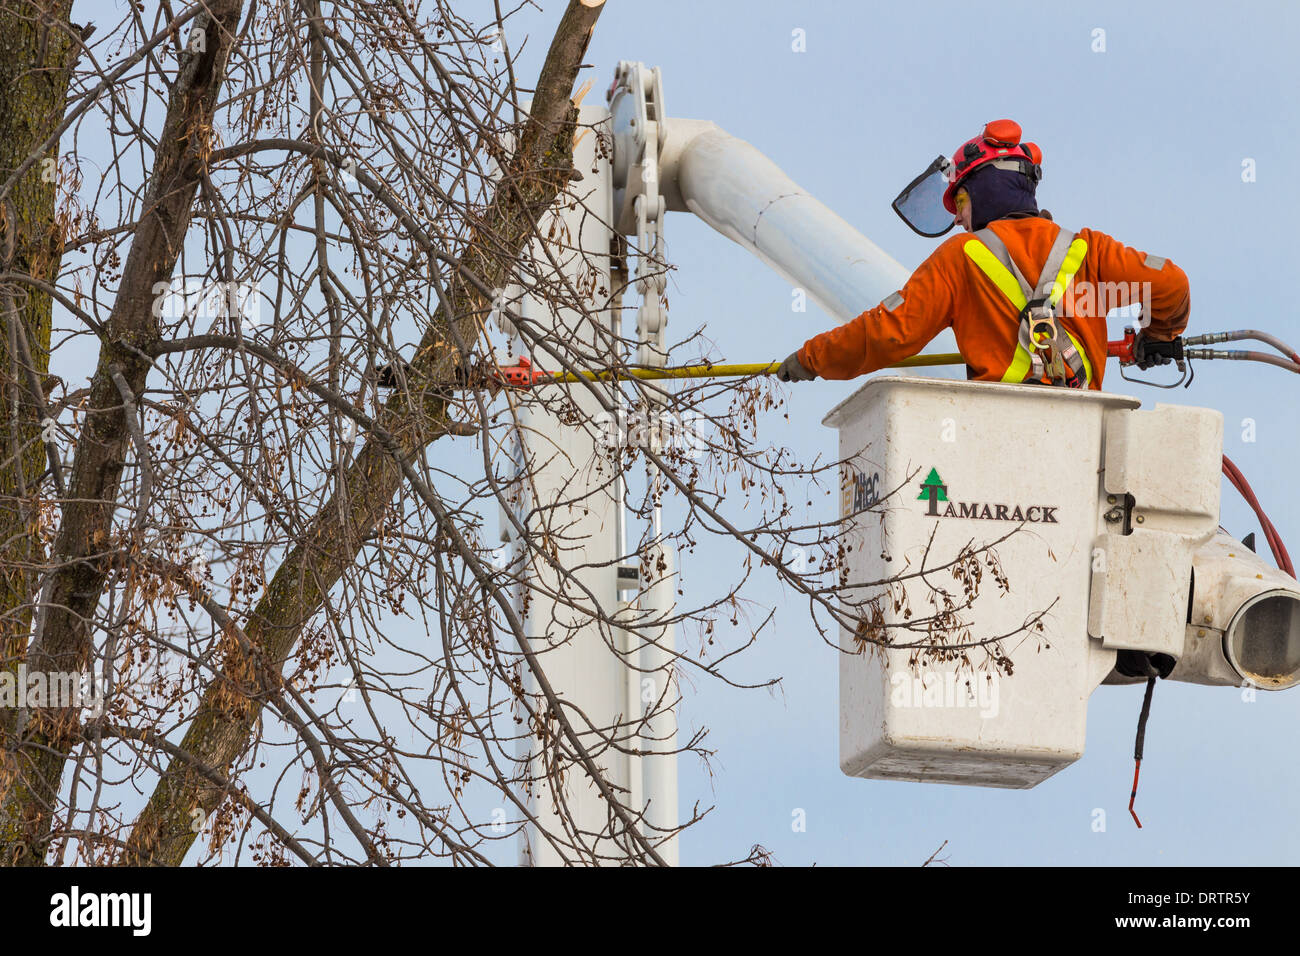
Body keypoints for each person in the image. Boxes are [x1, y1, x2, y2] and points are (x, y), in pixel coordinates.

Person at [775, 120, 1189, 387]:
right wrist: (1157, 336)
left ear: (983, 191)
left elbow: (890, 332)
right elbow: (1171, 285)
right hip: (1087, 438)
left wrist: (812, 358)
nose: (958, 219)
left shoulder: (961, 258)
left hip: (998, 438)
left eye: (960, 204)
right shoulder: (1088, 251)